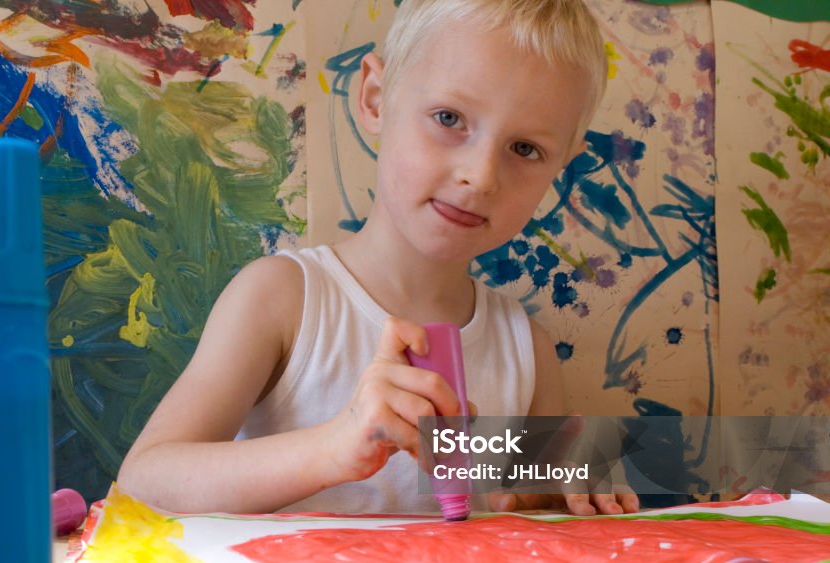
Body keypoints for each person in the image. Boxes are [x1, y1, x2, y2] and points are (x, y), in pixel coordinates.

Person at [117, 0, 639, 516]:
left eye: (525, 149)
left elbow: (527, 509)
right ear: (375, 98)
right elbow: (144, 483)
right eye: (449, 118)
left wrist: (556, 490)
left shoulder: (528, 348)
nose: (480, 176)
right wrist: (336, 447)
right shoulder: (280, 299)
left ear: (559, 168)